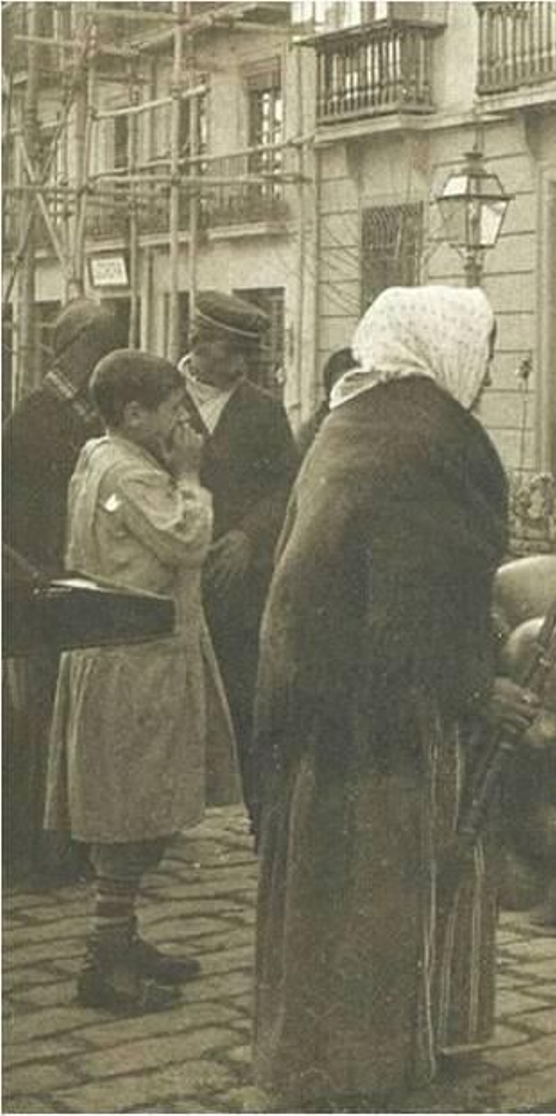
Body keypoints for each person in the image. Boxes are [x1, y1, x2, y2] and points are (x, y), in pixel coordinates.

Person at [252, 286, 542, 1106]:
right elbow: (415, 594)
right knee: (379, 886)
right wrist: (475, 687)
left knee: (320, 882)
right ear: (445, 347)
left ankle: (309, 1054)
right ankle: (363, 1068)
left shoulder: (353, 417)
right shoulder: (431, 439)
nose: (485, 373)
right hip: (376, 709)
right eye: (482, 350)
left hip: (315, 694)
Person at [46, 349, 241, 1013]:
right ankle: (104, 958)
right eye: (171, 409)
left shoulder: (100, 455)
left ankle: (121, 937)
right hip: (136, 662)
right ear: (133, 413)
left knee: (136, 803)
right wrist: (189, 474)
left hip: (131, 653)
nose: (183, 420)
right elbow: (187, 541)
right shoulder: (135, 473)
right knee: (131, 809)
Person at [2, 298, 123, 884]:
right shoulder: (34, 416)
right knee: (41, 721)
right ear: (75, 349)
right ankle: (35, 850)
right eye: (100, 347)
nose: (105, 359)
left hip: (75, 581)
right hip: (39, 583)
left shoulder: (86, 418)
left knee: (68, 718)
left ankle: (62, 842)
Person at [177, 291, 298, 836]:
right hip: (171, 573)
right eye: (228, 353)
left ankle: (262, 818)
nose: (238, 366)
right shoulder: (157, 395)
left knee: (246, 697)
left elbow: (284, 487)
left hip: (236, 584)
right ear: (197, 344)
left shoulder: (263, 409)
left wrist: (250, 536)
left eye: (245, 355)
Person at [293, 346, 357, 454]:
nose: (349, 395)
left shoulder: (374, 424)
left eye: (355, 387)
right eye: (342, 389)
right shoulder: (313, 430)